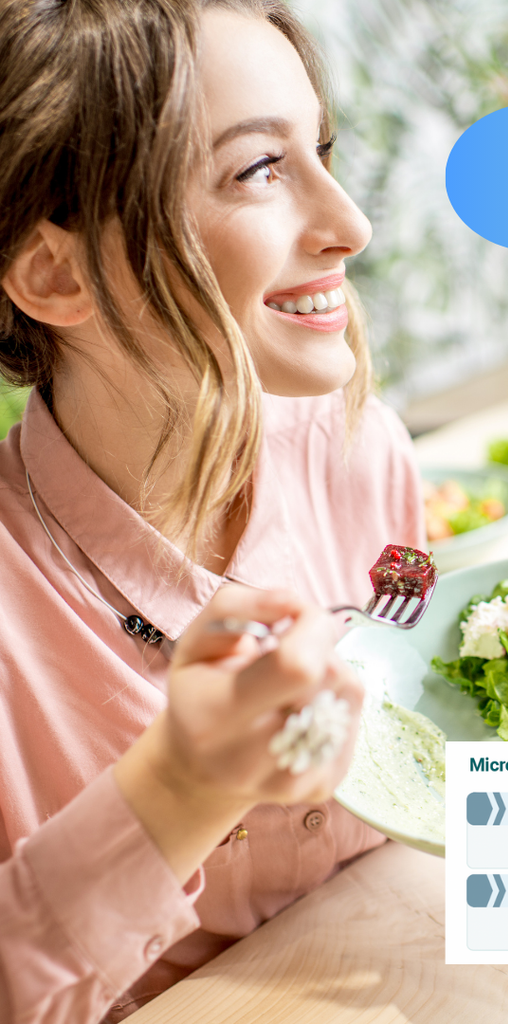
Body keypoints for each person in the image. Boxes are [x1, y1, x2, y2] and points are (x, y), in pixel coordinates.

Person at [0, 1, 425, 1021]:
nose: (350, 224)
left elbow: (423, 714)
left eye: (318, 148)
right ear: (55, 273)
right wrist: (181, 787)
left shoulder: (363, 452)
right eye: (258, 171)